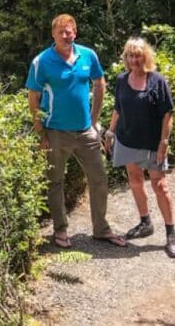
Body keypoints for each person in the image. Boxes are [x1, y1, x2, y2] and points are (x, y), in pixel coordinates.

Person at [26, 14, 126, 249]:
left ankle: (101, 228)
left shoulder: (87, 55)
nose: (65, 35)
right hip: (56, 133)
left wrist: (94, 119)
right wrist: (40, 132)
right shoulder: (41, 61)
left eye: (69, 31)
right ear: (53, 34)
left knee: (99, 179)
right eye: (60, 32)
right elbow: (34, 96)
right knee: (55, 182)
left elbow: (99, 83)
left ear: (75, 32)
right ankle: (60, 231)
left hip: (85, 132)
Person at [103, 37, 175, 258]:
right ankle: (145, 222)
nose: (133, 59)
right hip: (127, 140)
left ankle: (171, 233)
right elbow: (118, 109)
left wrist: (164, 142)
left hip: (152, 143)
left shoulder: (157, 80)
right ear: (126, 58)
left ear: (145, 56)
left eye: (137, 55)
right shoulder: (121, 80)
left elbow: (168, 113)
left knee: (160, 186)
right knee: (135, 181)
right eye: (129, 55)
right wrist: (110, 132)